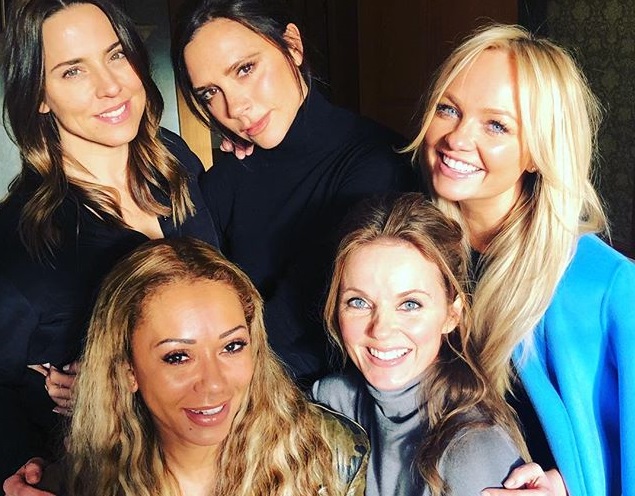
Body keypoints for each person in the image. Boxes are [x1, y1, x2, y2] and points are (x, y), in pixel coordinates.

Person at [405, 24, 635, 496]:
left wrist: (566, 486)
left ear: (537, 152)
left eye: (496, 125)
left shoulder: (601, 286)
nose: (456, 138)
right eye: (448, 109)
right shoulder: (410, 248)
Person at [0, 0, 217, 479]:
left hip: (220, 448)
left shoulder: (174, 161)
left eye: (116, 55)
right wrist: (15, 468)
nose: (111, 86)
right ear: (38, 96)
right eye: (73, 71)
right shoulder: (22, 238)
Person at [171, 0, 417, 386]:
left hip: (329, 401)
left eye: (245, 69)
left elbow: (304, 316)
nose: (235, 107)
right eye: (210, 93)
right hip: (237, 388)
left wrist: (205, 372)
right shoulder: (226, 178)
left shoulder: (378, 163)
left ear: (293, 45)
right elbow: (185, 290)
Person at [5, 237, 369, 496]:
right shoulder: (71, 484)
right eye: (178, 356)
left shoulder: (330, 456)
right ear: (127, 369)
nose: (213, 384)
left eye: (232, 346)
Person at [312, 193, 533, 496]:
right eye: (359, 302)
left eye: (410, 304)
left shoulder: (473, 451)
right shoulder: (330, 401)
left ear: (452, 315)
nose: (381, 330)